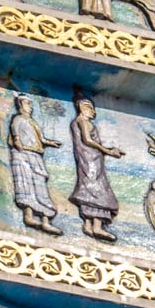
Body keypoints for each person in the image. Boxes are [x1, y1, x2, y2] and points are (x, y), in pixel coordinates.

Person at [69, 96, 125, 242]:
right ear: (82, 108)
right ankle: (97, 226)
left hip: (87, 158)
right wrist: (108, 151)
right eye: (89, 108)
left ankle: (88, 224)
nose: (93, 112)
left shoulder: (77, 122)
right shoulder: (83, 122)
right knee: (99, 189)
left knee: (88, 187)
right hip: (91, 159)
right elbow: (87, 140)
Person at [7, 95, 62, 234]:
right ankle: (28, 216)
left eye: (31, 104)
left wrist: (50, 142)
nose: (30, 107)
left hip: (35, 154)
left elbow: (41, 138)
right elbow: (15, 132)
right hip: (22, 154)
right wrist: (18, 142)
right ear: (20, 105)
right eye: (27, 104)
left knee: (40, 186)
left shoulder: (32, 122)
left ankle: (46, 221)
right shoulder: (18, 119)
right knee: (26, 184)